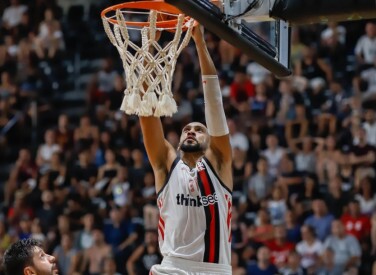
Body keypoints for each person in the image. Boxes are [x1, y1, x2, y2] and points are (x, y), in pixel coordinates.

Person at [140, 26, 233, 274]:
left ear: (211, 140)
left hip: (214, 268)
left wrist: (200, 42)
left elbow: (214, 101)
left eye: (199, 129)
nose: (191, 131)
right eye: (186, 129)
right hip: (172, 266)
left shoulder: (220, 162)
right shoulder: (166, 164)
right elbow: (146, 112)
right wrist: (149, 48)